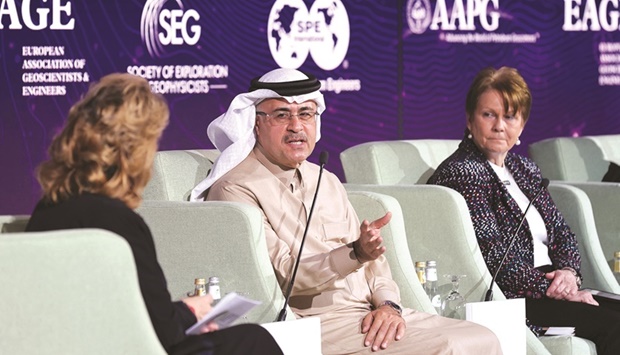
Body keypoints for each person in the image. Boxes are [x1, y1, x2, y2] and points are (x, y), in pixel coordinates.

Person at [191, 68, 502, 354]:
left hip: (371, 314)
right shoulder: (237, 188)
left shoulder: (324, 178)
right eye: (281, 115)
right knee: (452, 347)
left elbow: (375, 265)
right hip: (313, 324)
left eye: (306, 114)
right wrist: (355, 253)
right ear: (256, 123)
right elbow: (284, 276)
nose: (296, 126)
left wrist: (389, 306)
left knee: (484, 336)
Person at [25, 73, 282, 355]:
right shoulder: (118, 222)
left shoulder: (48, 208)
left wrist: (180, 314)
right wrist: (190, 311)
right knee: (253, 339)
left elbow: (118, 311)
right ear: (134, 152)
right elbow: (164, 333)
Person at [428, 66, 620, 355]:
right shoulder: (463, 173)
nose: (499, 126)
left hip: (552, 290)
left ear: (522, 123)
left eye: (510, 116)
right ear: (469, 119)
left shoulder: (524, 168)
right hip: (512, 299)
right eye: (488, 114)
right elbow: (492, 256)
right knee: (613, 325)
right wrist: (555, 290)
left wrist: (568, 273)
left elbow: (563, 234)